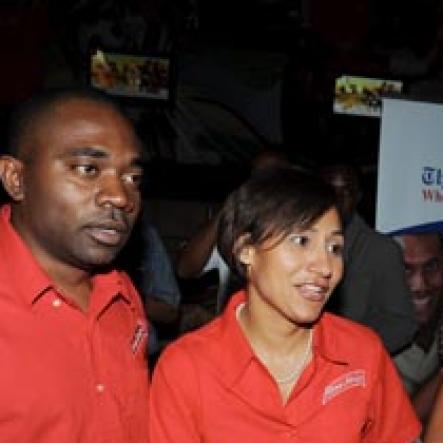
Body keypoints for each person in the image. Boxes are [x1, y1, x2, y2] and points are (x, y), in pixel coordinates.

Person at [149, 166, 421, 442]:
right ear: (246, 250)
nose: (325, 267)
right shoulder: (186, 368)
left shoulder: (363, 354)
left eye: (334, 248)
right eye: (301, 241)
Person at [0, 88, 150, 443]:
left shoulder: (121, 294)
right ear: (15, 179)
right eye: (88, 169)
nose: (120, 196)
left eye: (133, 178)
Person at [176, 149, 291, 312]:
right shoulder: (236, 232)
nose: (263, 182)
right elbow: (185, 269)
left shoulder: (299, 235)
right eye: (257, 174)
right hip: (231, 334)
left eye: (273, 174)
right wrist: (228, 209)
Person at [319, 163, 417, 354]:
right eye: (330, 189)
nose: (337, 199)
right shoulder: (298, 245)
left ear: (357, 197)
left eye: (345, 191)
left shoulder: (380, 250)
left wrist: (351, 351)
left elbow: (401, 324)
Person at [393, 233, 443, 423]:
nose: (420, 285)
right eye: (406, 269)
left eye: (431, 266)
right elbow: (400, 429)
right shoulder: (366, 329)